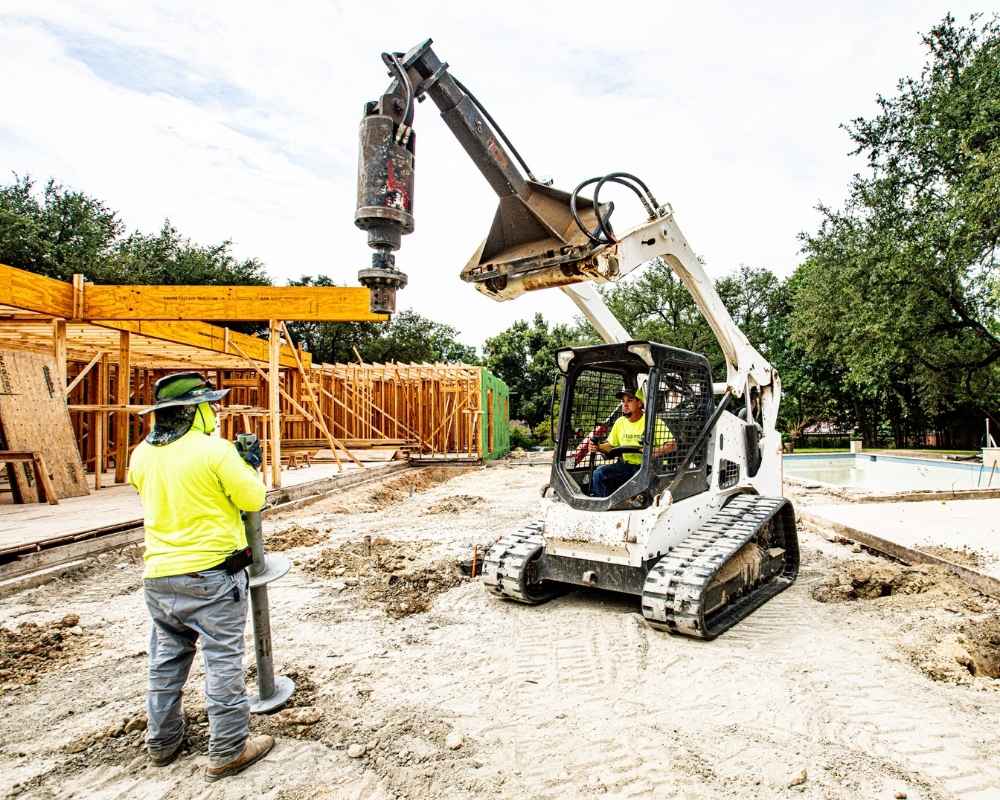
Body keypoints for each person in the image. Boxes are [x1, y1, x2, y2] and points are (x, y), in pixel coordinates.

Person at [128, 371, 273, 782]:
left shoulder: (141, 455)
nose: (215, 412)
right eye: (210, 406)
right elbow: (253, 498)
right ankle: (228, 748)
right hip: (212, 575)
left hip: (159, 577)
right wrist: (249, 467)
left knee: (165, 661)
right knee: (223, 660)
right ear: (193, 411)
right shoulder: (214, 451)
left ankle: (162, 741)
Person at [588, 385, 676, 497]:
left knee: (641, 485)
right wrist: (598, 447)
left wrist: (653, 452)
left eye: (629, 400)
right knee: (599, 474)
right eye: (623, 401)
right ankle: (604, 504)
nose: (625, 404)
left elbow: (672, 445)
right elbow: (610, 445)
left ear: (639, 403)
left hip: (648, 468)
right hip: (627, 466)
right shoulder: (620, 422)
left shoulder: (653, 421)